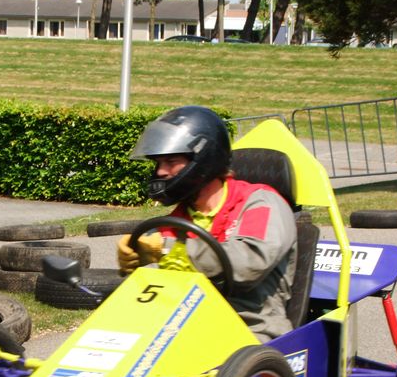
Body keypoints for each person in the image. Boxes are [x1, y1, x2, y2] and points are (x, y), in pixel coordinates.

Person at [116, 105, 298, 342]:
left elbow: (248, 263)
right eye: (158, 163)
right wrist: (135, 263)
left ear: (203, 160)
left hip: (251, 328)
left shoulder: (260, 204)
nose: (160, 172)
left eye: (171, 161)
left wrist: (167, 250)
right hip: (185, 324)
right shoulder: (175, 221)